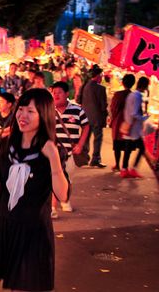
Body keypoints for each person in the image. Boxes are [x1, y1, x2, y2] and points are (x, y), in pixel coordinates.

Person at [0, 88, 69, 292]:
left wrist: (53, 158)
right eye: (21, 109)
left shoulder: (50, 150)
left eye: (30, 111)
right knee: (15, 286)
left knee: (24, 287)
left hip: (34, 232)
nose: (22, 115)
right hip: (8, 227)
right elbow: (4, 188)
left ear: (44, 115)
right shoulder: (8, 145)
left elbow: (63, 194)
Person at [51, 82, 89, 217]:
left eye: (59, 92)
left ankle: (65, 200)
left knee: (67, 179)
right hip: (53, 153)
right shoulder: (48, 110)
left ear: (67, 94)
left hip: (70, 153)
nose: (56, 95)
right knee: (53, 178)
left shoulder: (77, 110)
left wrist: (80, 144)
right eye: (54, 92)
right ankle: (52, 207)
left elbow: (86, 126)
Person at [78, 66, 108, 168]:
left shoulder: (85, 86)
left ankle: (84, 158)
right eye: (101, 75)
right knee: (97, 138)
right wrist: (106, 115)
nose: (102, 77)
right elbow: (103, 106)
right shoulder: (101, 89)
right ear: (98, 76)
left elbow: (78, 100)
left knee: (86, 137)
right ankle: (95, 159)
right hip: (97, 118)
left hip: (85, 116)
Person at [121, 76, 150, 178]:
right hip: (133, 128)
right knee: (141, 148)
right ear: (145, 86)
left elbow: (127, 111)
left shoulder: (131, 95)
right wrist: (144, 118)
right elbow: (134, 113)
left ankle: (124, 169)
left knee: (128, 149)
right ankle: (133, 169)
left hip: (129, 125)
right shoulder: (138, 96)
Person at [109, 74, 135, 174]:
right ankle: (125, 166)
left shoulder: (118, 95)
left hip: (119, 121)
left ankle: (117, 164)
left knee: (117, 145)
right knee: (127, 145)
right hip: (129, 123)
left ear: (123, 82)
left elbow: (113, 108)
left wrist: (112, 119)